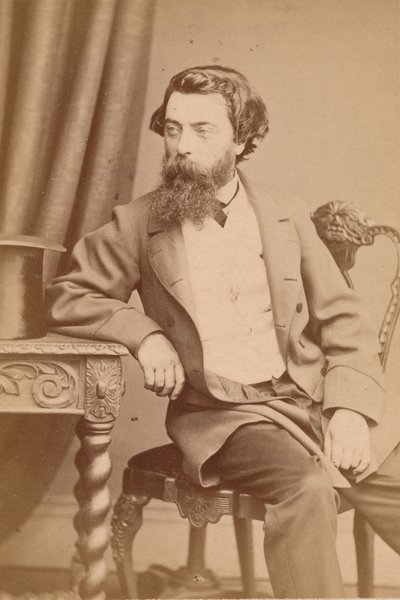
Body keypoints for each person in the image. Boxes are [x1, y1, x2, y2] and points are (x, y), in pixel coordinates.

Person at [46, 65, 400, 598]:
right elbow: (69, 295)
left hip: (305, 399)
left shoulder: (285, 217)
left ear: (242, 139)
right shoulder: (138, 223)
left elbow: (343, 319)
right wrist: (145, 334)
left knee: (391, 480)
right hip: (223, 415)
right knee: (304, 486)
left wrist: (348, 409)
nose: (181, 145)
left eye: (202, 130)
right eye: (173, 128)